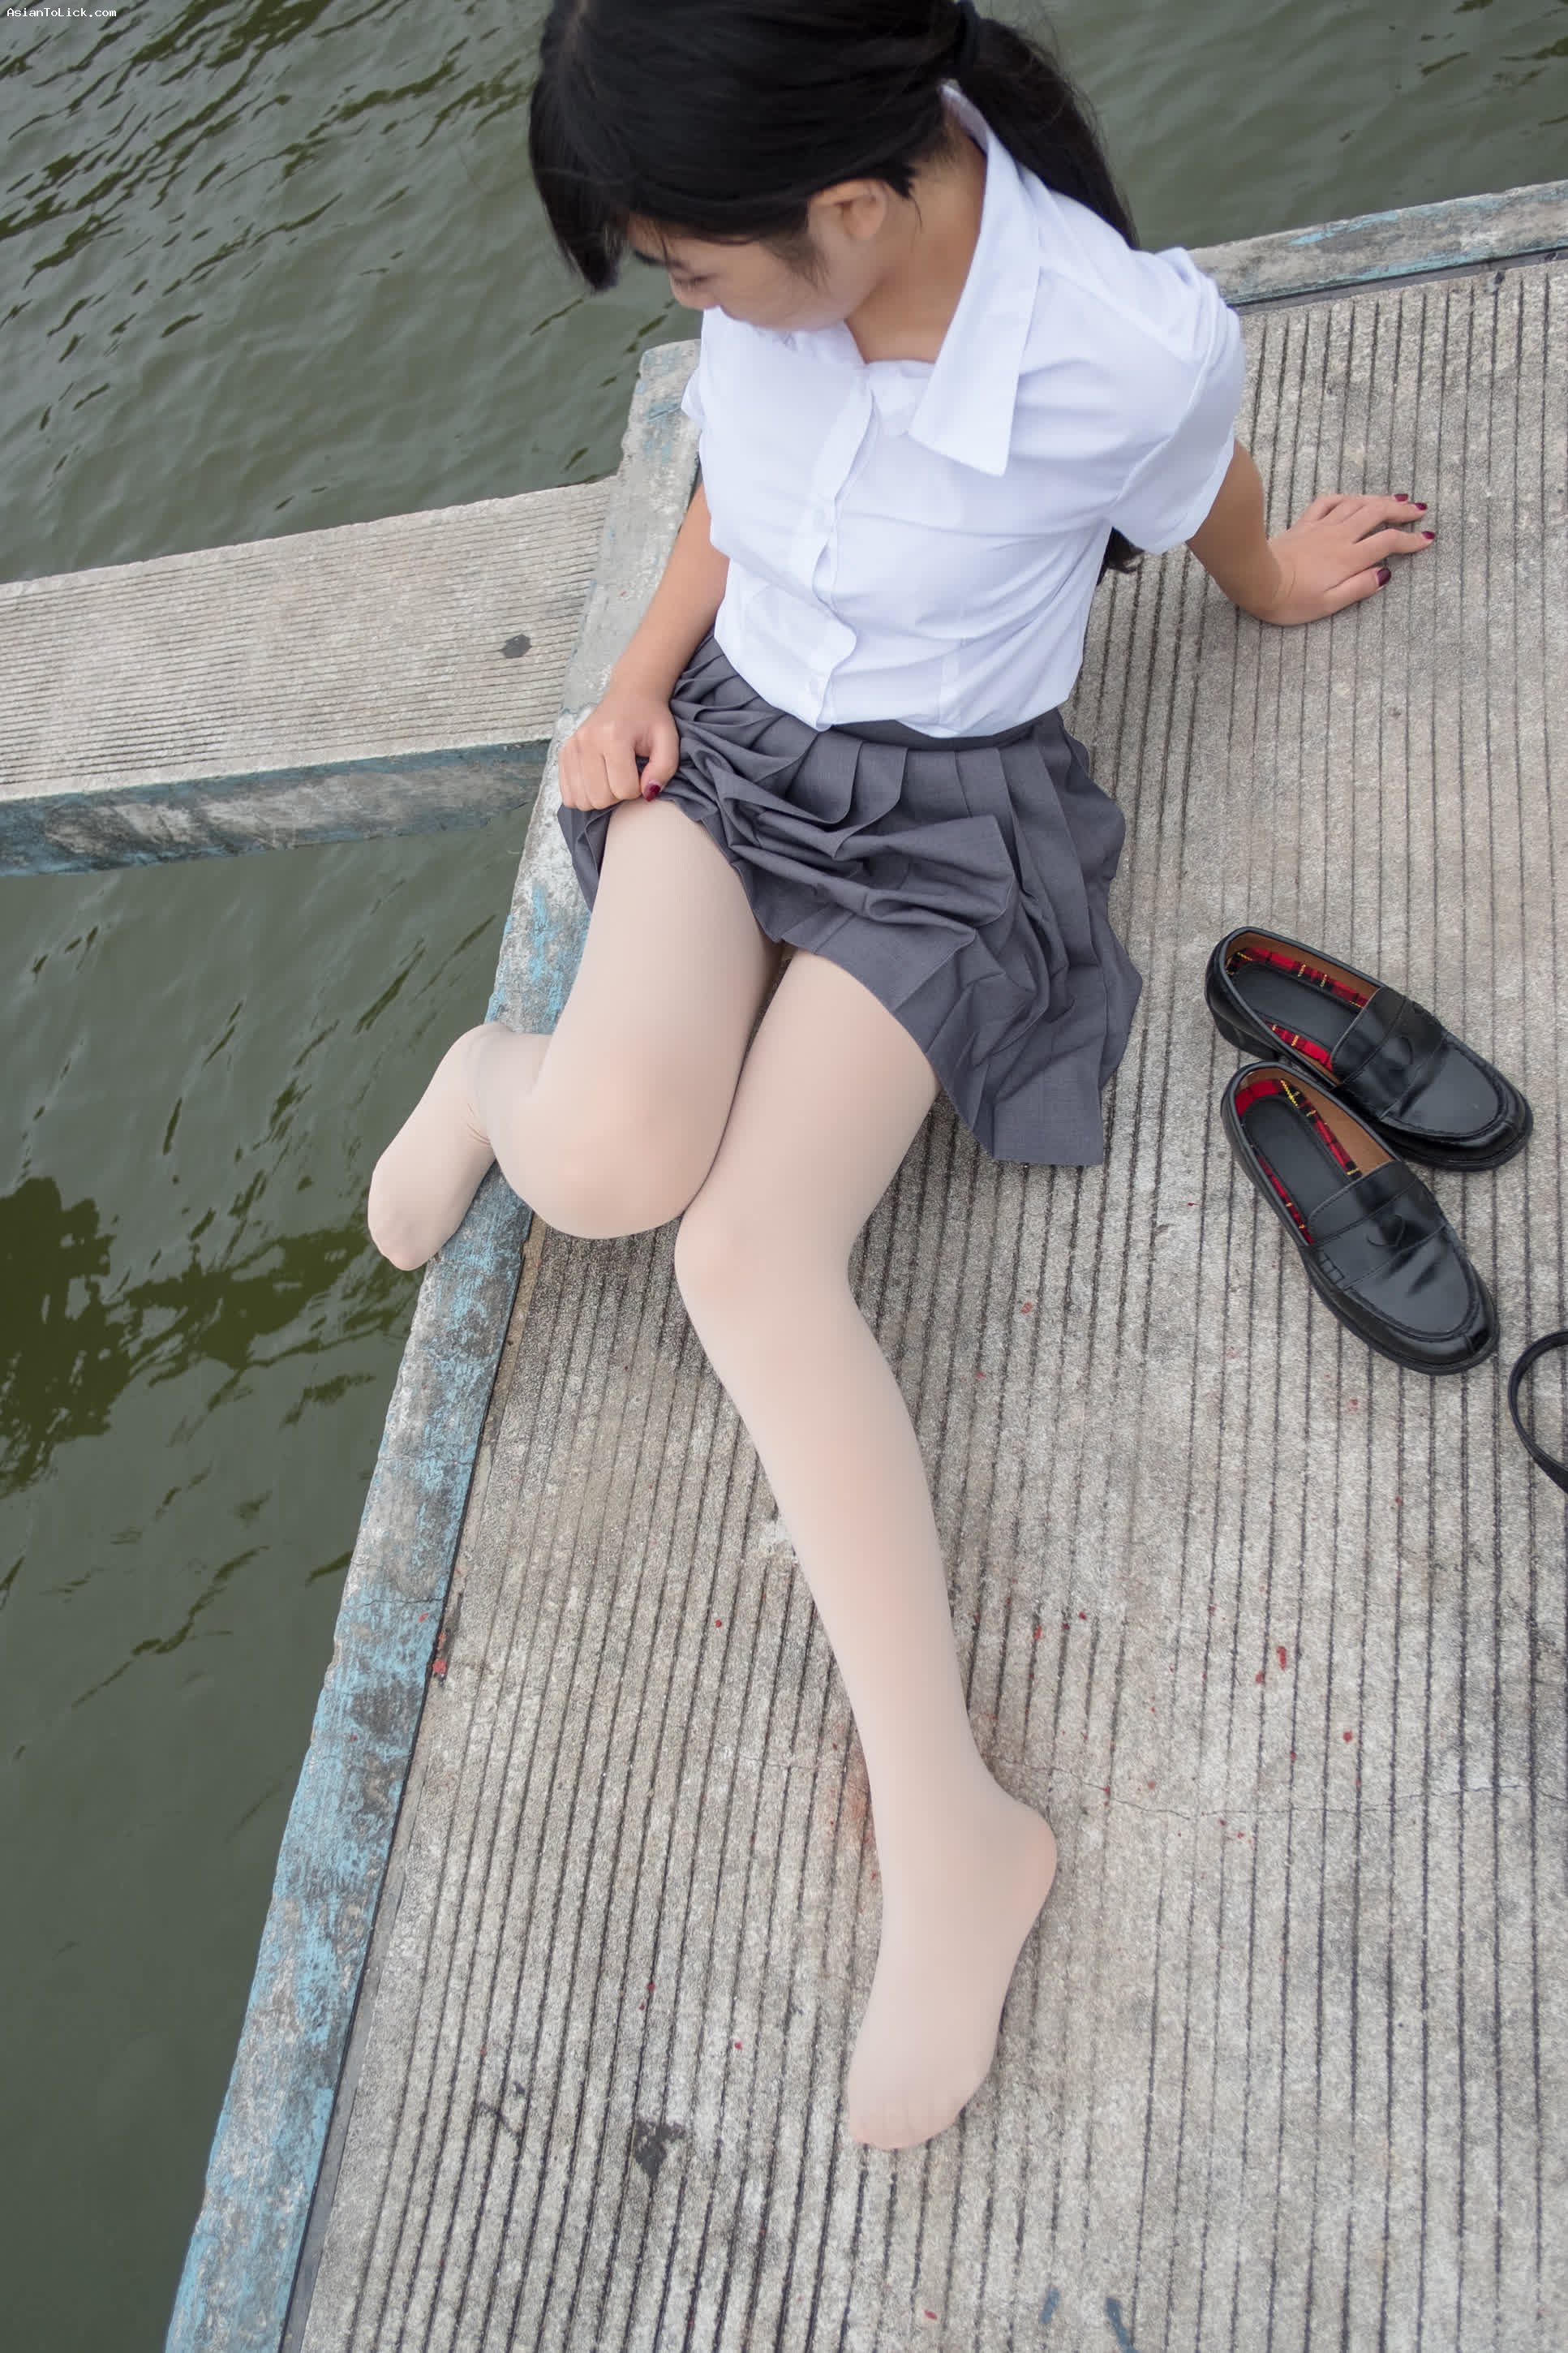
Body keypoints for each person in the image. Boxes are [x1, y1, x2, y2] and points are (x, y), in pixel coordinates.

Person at [367, 0, 1435, 2149]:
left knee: (746, 1258)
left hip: (948, 833)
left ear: (850, 207)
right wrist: (632, 684)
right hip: (738, 750)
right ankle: (499, 1075)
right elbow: (729, 494)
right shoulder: (778, 281)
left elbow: (1195, 479)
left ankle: (956, 1834)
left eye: (692, 267)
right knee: (612, 1162)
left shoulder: (1116, 344)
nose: (688, 301)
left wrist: (1267, 580)